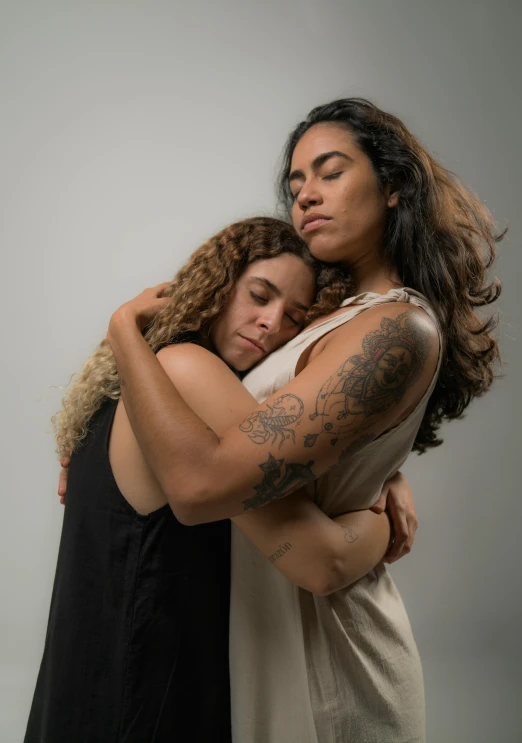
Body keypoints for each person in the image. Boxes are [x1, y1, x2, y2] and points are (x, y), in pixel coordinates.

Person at [104, 98, 501, 742]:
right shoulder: (326, 319)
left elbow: (205, 485)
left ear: (394, 186)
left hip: (333, 670)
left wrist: (125, 330)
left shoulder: (396, 327)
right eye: (295, 184)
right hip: (265, 646)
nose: (305, 196)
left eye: (329, 172)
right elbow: (286, 431)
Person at [26, 217, 411, 743]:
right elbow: (322, 564)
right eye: (259, 295)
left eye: (294, 317)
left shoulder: (132, 380)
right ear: (218, 286)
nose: (271, 323)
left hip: (79, 701)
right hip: (150, 708)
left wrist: (386, 471)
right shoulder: (188, 372)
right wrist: (384, 521)